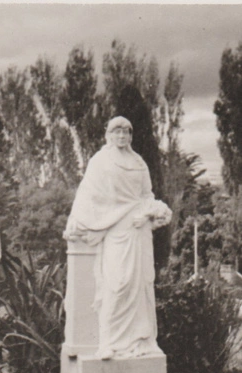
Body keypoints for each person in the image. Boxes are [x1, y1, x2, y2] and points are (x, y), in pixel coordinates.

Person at [63, 116, 171, 360]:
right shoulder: (100, 161)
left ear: (131, 136)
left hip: (139, 229)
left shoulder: (139, 163)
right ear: (108, 135)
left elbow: (146, 195)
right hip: (115, 229)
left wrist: (147, 215)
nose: (122, 137)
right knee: (117, 283)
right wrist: (76, 219)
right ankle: (107, 341)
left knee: (140, 285)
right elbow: (87, 194)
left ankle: (140, 341)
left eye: (126, 132)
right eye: (117, 132)